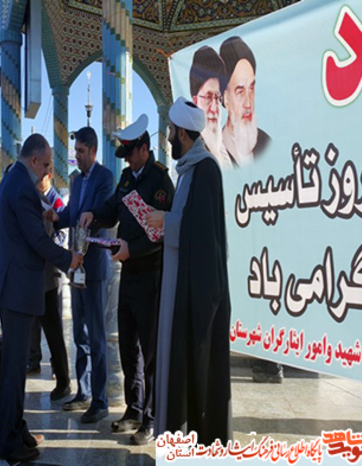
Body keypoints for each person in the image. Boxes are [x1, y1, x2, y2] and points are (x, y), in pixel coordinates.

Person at [79, 114, 175, 445]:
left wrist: (132, 249)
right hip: (129, 272)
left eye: (131, 153)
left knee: (150, 350)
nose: (128, 159)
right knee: (128, 346)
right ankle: (133, 409)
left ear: (144, 149)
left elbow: (163, 234)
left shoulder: (160, 181)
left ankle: (151, 417)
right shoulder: (126, 179)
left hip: (151, 274)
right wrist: (94, 215)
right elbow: (112, 209)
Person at [0, 133, 82, 462]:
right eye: (45, 164)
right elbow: (37, 241)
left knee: (14, 369)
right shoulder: (23, 188)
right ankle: (9, 442)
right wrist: (69, 260)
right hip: (17, 289)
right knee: (14, 371)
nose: (47, 171)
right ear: (33, 160)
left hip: (13, 287)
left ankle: (16, 428)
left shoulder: (13, 179)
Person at [147, 97, 232, 445]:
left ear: (182, 132)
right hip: (179, 283)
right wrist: (164, 223)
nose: (167, 135)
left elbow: (204, 233)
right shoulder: (188, 170)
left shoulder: (206, 170)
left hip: (196, 292)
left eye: (170, 130)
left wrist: (167, 221)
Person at [46, 126, 115, 421]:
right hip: (76, 266)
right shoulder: (75, 180)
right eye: (75, 151)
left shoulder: (105, 178)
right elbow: (73, 213)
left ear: (94, 151)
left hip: (95, 267)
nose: (78, 156)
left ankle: (100, 401)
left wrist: (92, 215)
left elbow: (102, 213)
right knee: (80, 333)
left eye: (82, 151)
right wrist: (56, 217)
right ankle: (83, 391)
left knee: (97, 337)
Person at [27, 172, 67, 375]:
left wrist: (47, 245)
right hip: (35, 271)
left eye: (39, 178)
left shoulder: (56, 201)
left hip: (52, 270)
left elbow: (62, 234)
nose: (36, 182)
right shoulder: (33, 199)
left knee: (53, 322)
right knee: (33, 321)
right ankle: (33, 358)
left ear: (48, 176)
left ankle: (56, 366)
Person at [220, 36, 271, 167]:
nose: (248, 104)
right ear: (226, 98)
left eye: (251, 89)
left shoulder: (266, 144)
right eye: (240, 92)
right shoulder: (214, 154)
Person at [190, 45, 232, 169]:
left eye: (217, 98)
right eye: (208, 98)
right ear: (195, 101)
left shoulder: (226, 155)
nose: (214, 108)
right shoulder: (190, 156)